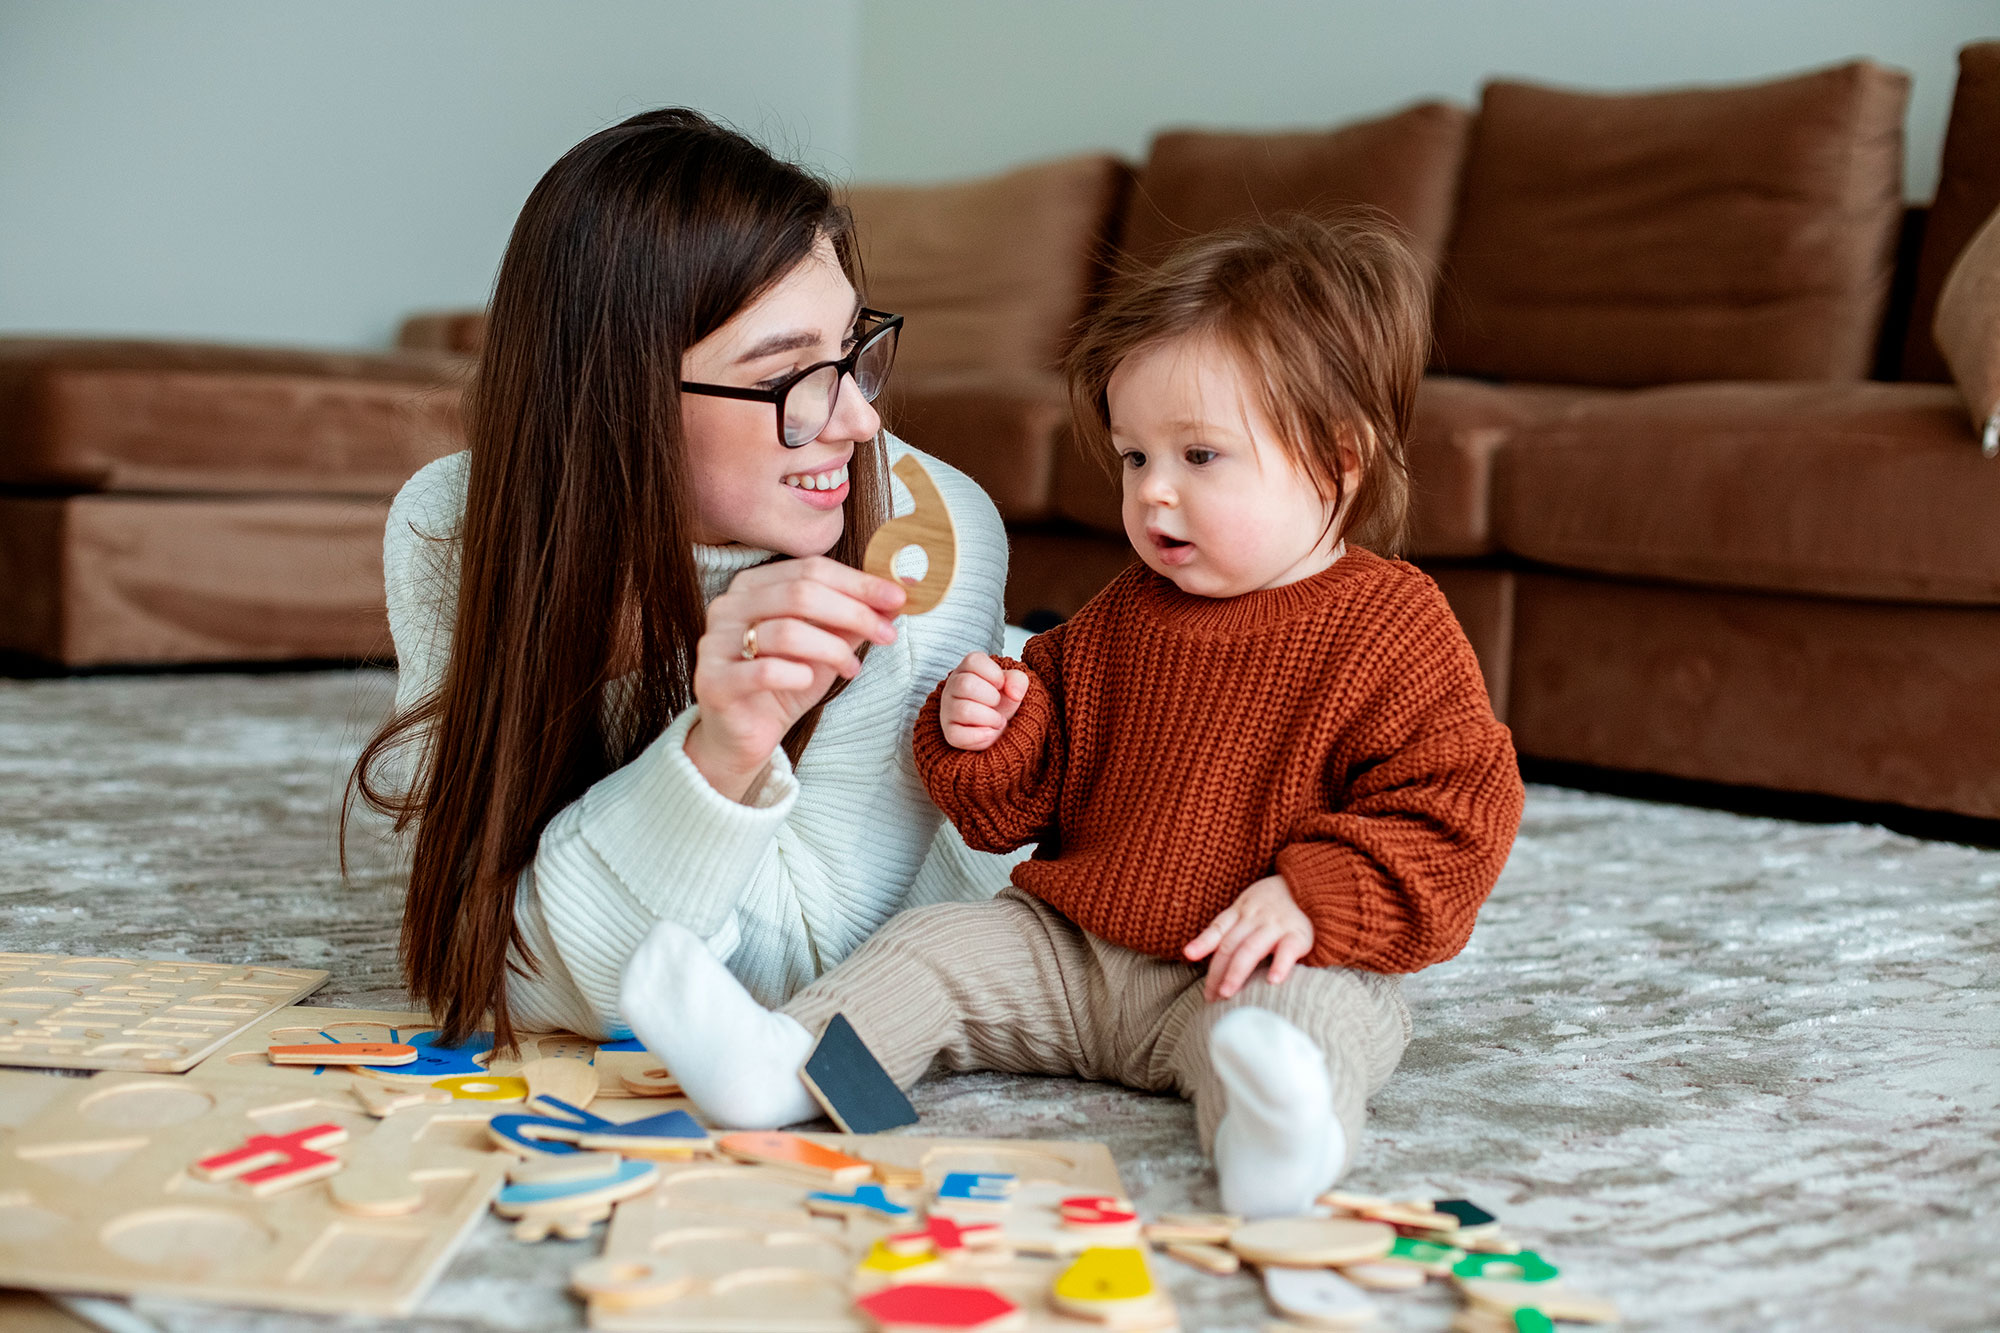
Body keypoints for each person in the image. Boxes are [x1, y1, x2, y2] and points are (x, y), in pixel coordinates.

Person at [620, 214, 1526, 1218]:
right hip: (1075, 947)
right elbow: (1014, 804)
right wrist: (988, 729)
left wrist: (1312, 896)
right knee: (935, 951)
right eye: (1135, 458)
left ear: (1335, 463)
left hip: (1245, 960)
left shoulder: (1390, 624)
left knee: (1299, 1029)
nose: (1154, 496)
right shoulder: (1123, 612)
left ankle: (1278, 1143)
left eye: (1199, 457)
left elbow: (1453, 811)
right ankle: (786, 1068)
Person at [350, 108, 1017, 1049]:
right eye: (790, 374)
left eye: (852, 353)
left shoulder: (922, 551)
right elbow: (481, 948)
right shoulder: (453, 521)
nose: (859, 421)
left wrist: (721, 751)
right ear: (618, 393)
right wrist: (717, 751)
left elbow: (794, 977)